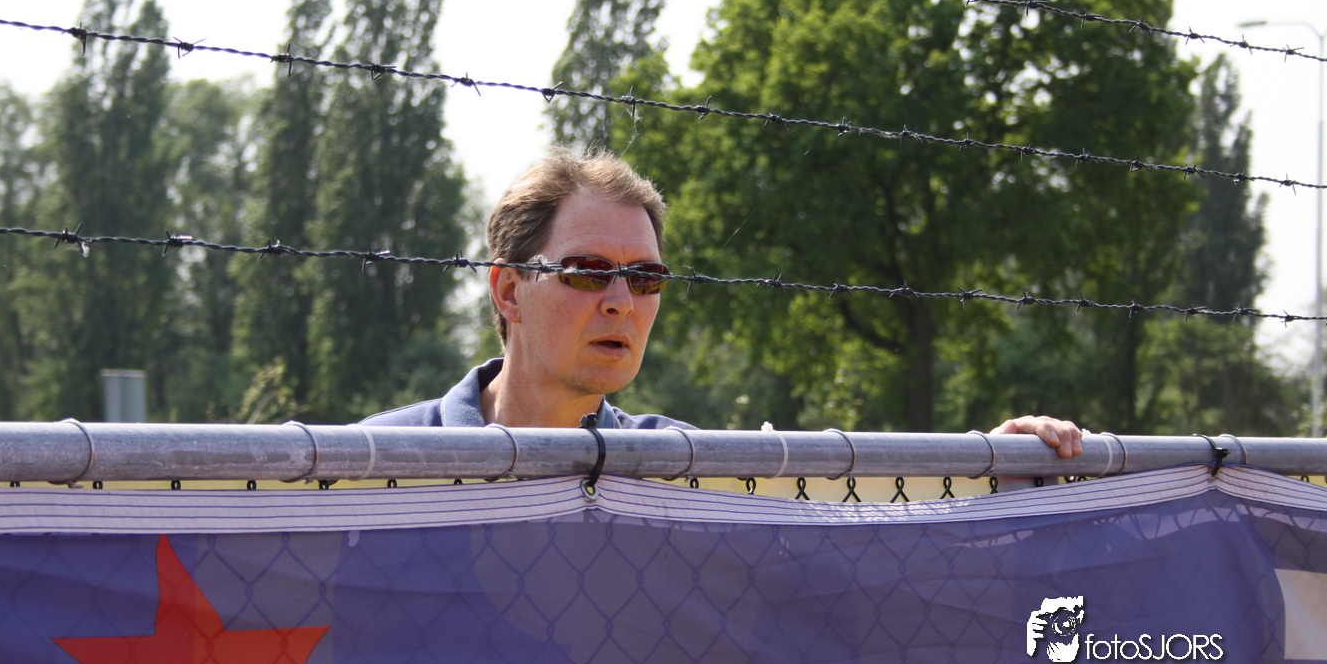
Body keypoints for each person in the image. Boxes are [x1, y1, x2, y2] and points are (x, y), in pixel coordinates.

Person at [362, 148, 1083, 460]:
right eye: (588, 273)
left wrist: (984, 469)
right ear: (508, 289)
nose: (622, 302)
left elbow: (850, 537)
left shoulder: (685, 467)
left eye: (646, 278)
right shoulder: (374, 462)